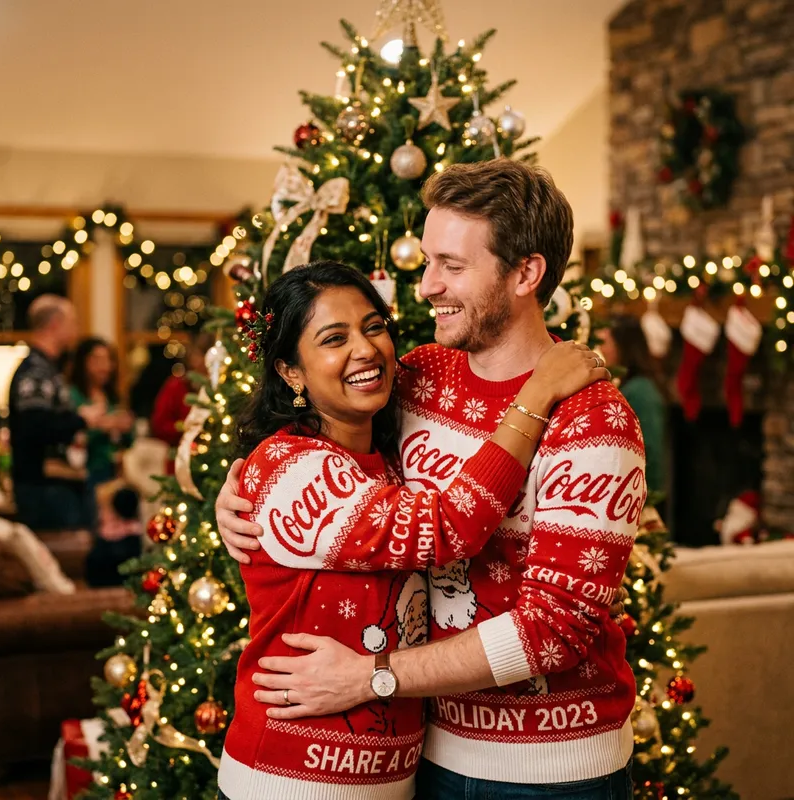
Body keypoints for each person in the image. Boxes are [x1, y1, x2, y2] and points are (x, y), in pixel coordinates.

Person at [217, 159, 645, 799]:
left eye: (451, 265)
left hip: (547, 773)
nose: (425, 288)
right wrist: (240, 488)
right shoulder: (418, 377)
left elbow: (554, 630)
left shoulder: (593, 419)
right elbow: (326, 445)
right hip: (425, 757)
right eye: (426, 261)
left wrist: (375, 677)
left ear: (526, 273)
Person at [8, 295, 109, 530]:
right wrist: (81, 419)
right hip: (44, 490)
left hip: (57, 486)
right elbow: (34, 426)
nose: (75, 329)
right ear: (55, 324)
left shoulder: (49, 369)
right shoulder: (35, 372)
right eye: (71, 322)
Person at [598, 316, 666, 494]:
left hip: (637, 493)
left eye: (606, 342)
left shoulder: (639, 392)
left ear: (622, 346)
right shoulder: (629, 387)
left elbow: (649, 450)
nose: (602, 349)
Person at [69, 337, 134, 487]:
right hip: (83, 475)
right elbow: (71, 436)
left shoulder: (112, 398)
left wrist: (126, 427)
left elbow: (128, 442)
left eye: (108, 360)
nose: (105, 367)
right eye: (97, 360)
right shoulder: (73, 396)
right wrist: (101, 426)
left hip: (113, 473)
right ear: (83, 362)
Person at [151, 332, 213, 472]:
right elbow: (159, 425)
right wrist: (185, 427)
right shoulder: (176, 387)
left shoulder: (222, 389)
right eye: (198, 355)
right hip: (181, 465)